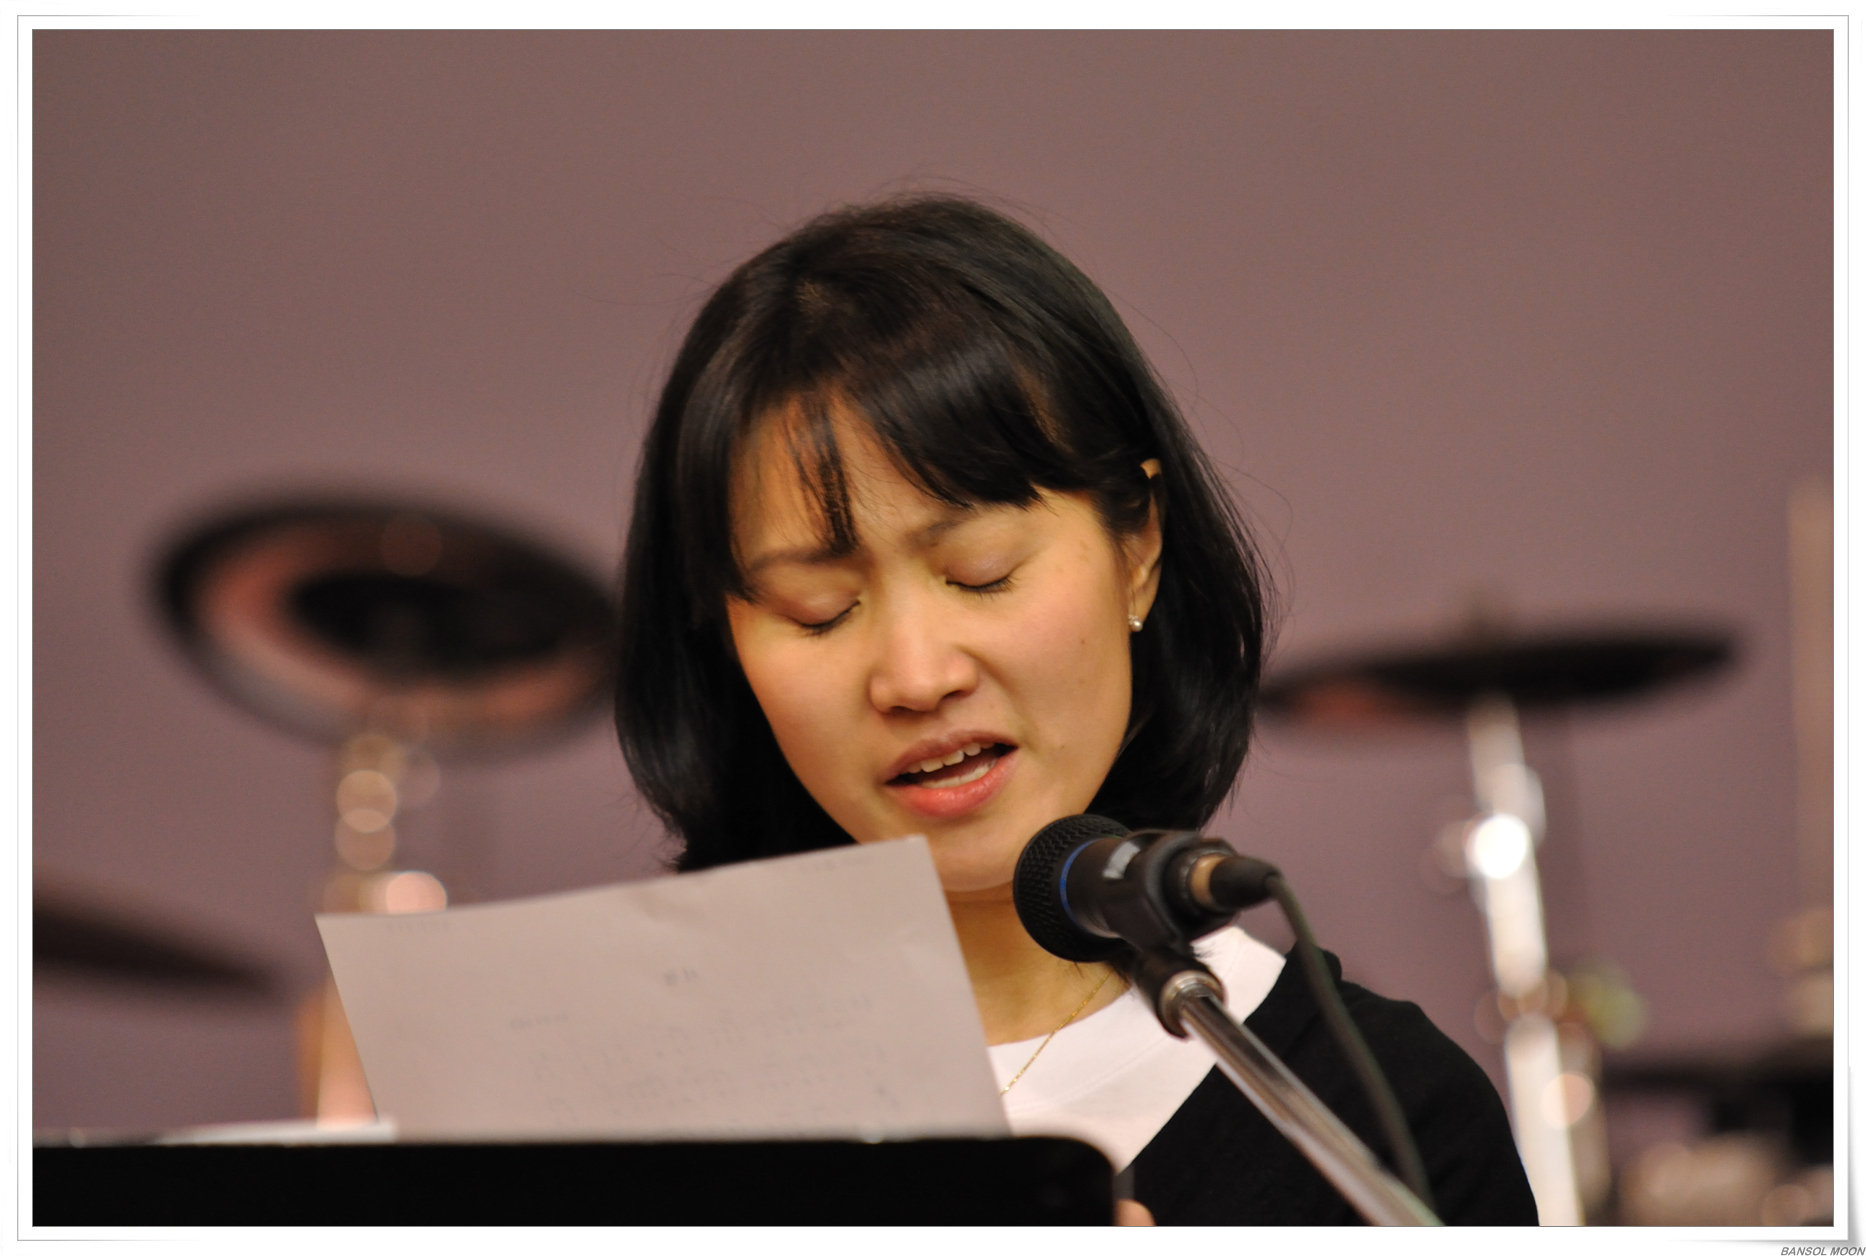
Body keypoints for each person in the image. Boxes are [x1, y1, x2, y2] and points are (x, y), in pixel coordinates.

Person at [614, 195, 1538, 1225]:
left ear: (1136, 546)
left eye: (981, 571)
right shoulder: (619, 1117)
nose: (916, 676)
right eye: (818, 609)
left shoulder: (1381, 1125)